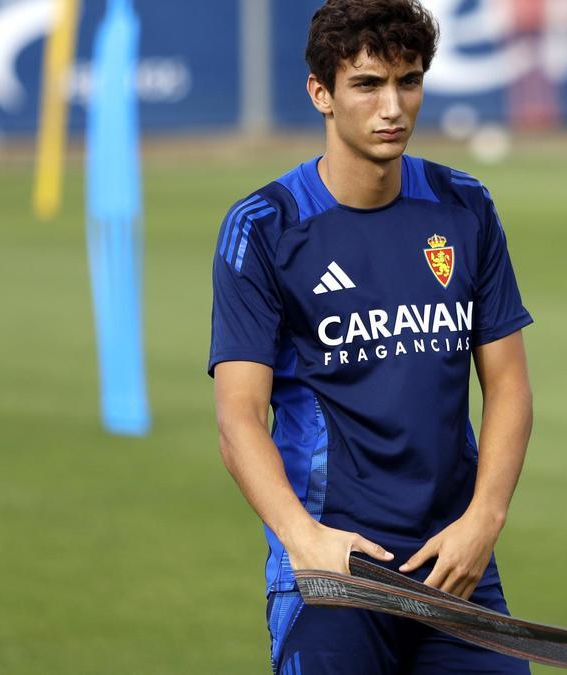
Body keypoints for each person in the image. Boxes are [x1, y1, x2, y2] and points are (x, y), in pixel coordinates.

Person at [208, 1, 534, 672]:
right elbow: (239, 417)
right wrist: (303, 539)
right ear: (320, 93)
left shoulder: (465, 205)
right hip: (334, 573)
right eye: (367, 84)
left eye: (408, 81)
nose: (393, 107)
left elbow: (508, 385)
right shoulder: (264, 227)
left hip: (456, 566)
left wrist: (484, 522)